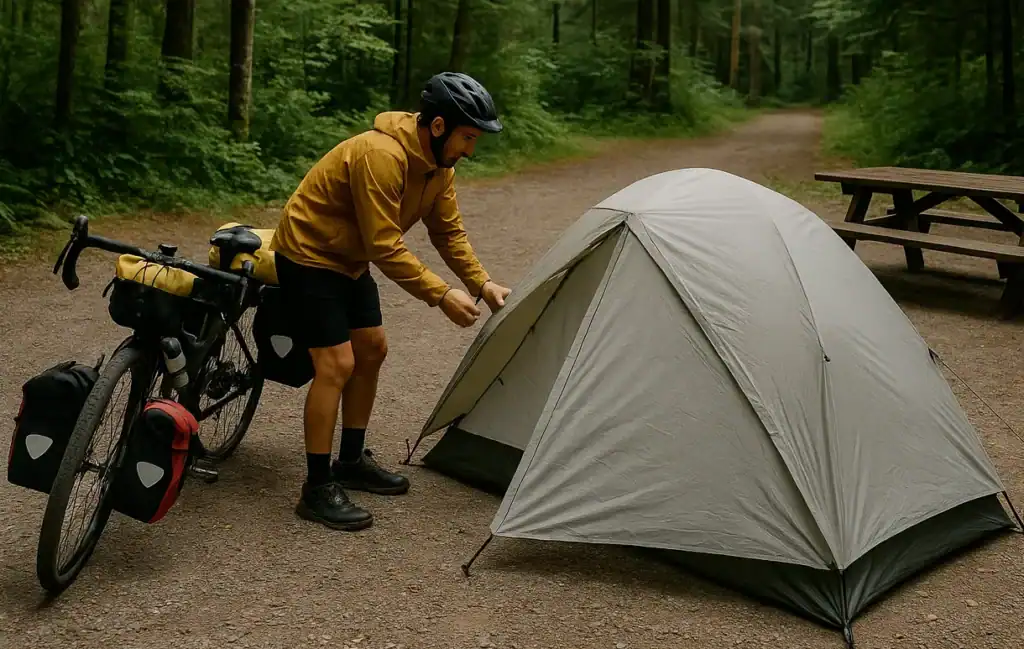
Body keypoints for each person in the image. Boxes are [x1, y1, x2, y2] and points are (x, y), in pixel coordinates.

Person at [268, 72, 511, 531]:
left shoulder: (440, 169)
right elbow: (384, 245)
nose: (471, 150)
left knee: (373, 349)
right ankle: (316, 487)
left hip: (350, 260)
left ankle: (351, 460)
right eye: (467, 137)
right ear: (438, 127)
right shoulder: (381, 156)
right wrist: (441, 294)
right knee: (336, 365)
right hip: (309, 253)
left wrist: (481, 284)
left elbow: (447, 232)